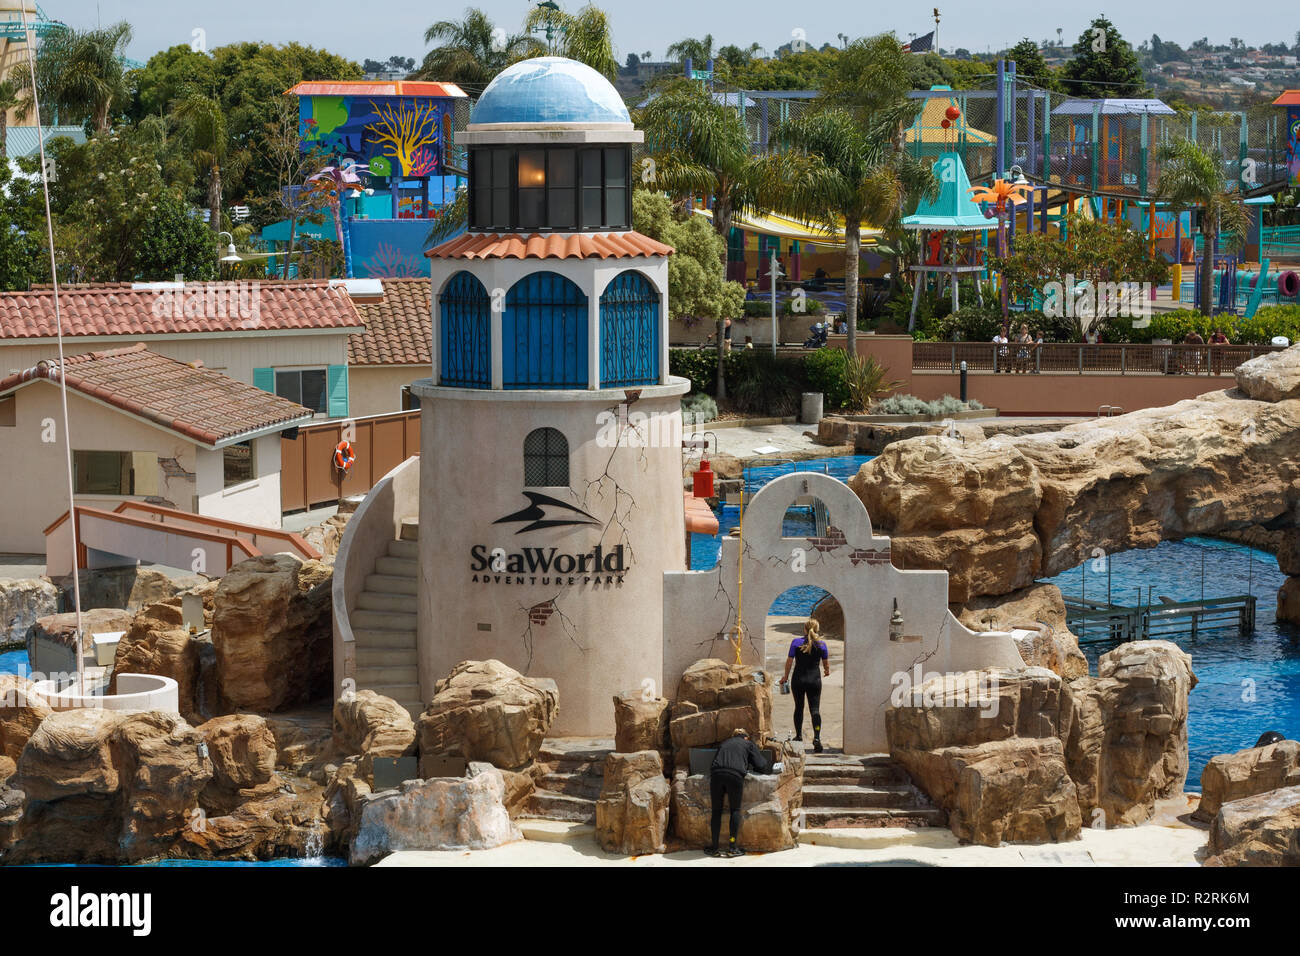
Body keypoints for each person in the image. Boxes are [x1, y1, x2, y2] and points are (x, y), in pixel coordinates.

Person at [707, 729, 780, 857]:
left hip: (716, 774)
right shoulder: (748, 744)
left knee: (716, 811)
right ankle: (732, 847)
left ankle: (714, 847)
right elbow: (761, 764)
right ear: (745, 737)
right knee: (735, 810)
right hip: (734, 775)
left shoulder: (725, 743)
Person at [780, 619, 831, 752]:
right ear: (817, 629)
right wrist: (826, 671)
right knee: (815, 710)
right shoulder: (822, 644)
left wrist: (785, 677)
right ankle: (817, 737)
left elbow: (789, 662)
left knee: (799, 708)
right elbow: (826, 663)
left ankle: (798, 736)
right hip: (814, 681)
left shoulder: (796, 643)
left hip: (798, 680)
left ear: (804, 629)